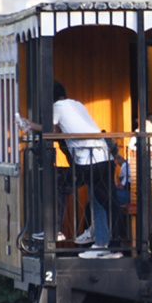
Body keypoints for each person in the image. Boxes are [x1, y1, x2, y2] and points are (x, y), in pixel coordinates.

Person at [50, 82, 113, 249]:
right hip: (102, 157)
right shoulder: (77, 105)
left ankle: (57, 230)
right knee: (100, 202)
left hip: (87, 161)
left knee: (60, 186)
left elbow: (50, 131)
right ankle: (104, 242)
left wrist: (31, 126)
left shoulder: (59, 107)